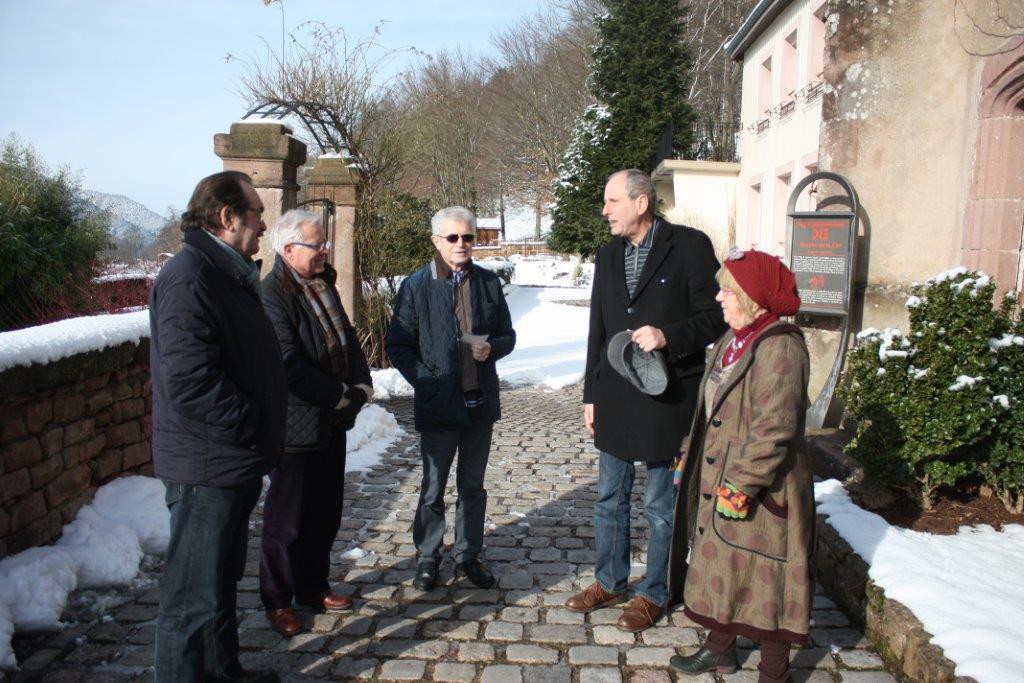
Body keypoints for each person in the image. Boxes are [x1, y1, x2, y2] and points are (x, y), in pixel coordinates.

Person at [566, 169, 726, 633]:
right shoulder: (608, 255)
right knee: (608, 499)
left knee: (660, 505)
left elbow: (715, 317)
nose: (605, 211)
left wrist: (668, 336)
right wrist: (591, 394)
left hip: (667, 396)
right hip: (616, 394)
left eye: (612, 201)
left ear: (641, 203)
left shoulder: (690, 246)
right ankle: (610, 581)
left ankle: (656, 592)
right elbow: (598, 327)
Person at [150, 171, 286, 682]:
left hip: (228, 461)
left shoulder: (222, 270)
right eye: (257, 214)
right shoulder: (191, 276)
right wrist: (253, 424)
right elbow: (190, 382)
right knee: (191, 599)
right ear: (227, 217)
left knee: (217, 588)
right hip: (207, 464)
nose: (263, 225)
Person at [667, 249, 812, 683]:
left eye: (727, 290)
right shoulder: (735, 339)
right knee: (725, 565)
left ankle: (774, 673)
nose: (719, 297)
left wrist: (742, 485)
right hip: (723, 475)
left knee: (768, 576)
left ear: (753, 295)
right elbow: (711, 407)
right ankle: (720, 650)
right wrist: (689, 452)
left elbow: (774, 428)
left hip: (764, 487)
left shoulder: (781, 346)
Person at [385, 206, 516, 592]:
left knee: (473, 487)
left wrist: (492, 347)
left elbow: (508, 335)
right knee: (433, 488)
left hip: (479, 403)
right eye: (453, 237)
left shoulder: (489, 284)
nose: (462, 244)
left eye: (469, 237)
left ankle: (468, 555)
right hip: (438, 403)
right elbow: (399, 343)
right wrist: (425, 380)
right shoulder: (416, 285)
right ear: (436, 241)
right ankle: (427, 557)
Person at [258, 209, 373, 637]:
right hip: (295, 425)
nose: (325, 250)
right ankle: (277, 599)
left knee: (325, 511)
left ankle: (312, 586)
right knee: (286, 519)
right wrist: (339, 394)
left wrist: (361, 383)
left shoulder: (322, 284)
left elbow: (346, 335)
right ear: (288, 250)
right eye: (316, 244)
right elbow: (287, 363)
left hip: (331, 420)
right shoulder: (272, 295)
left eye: (324, 243)